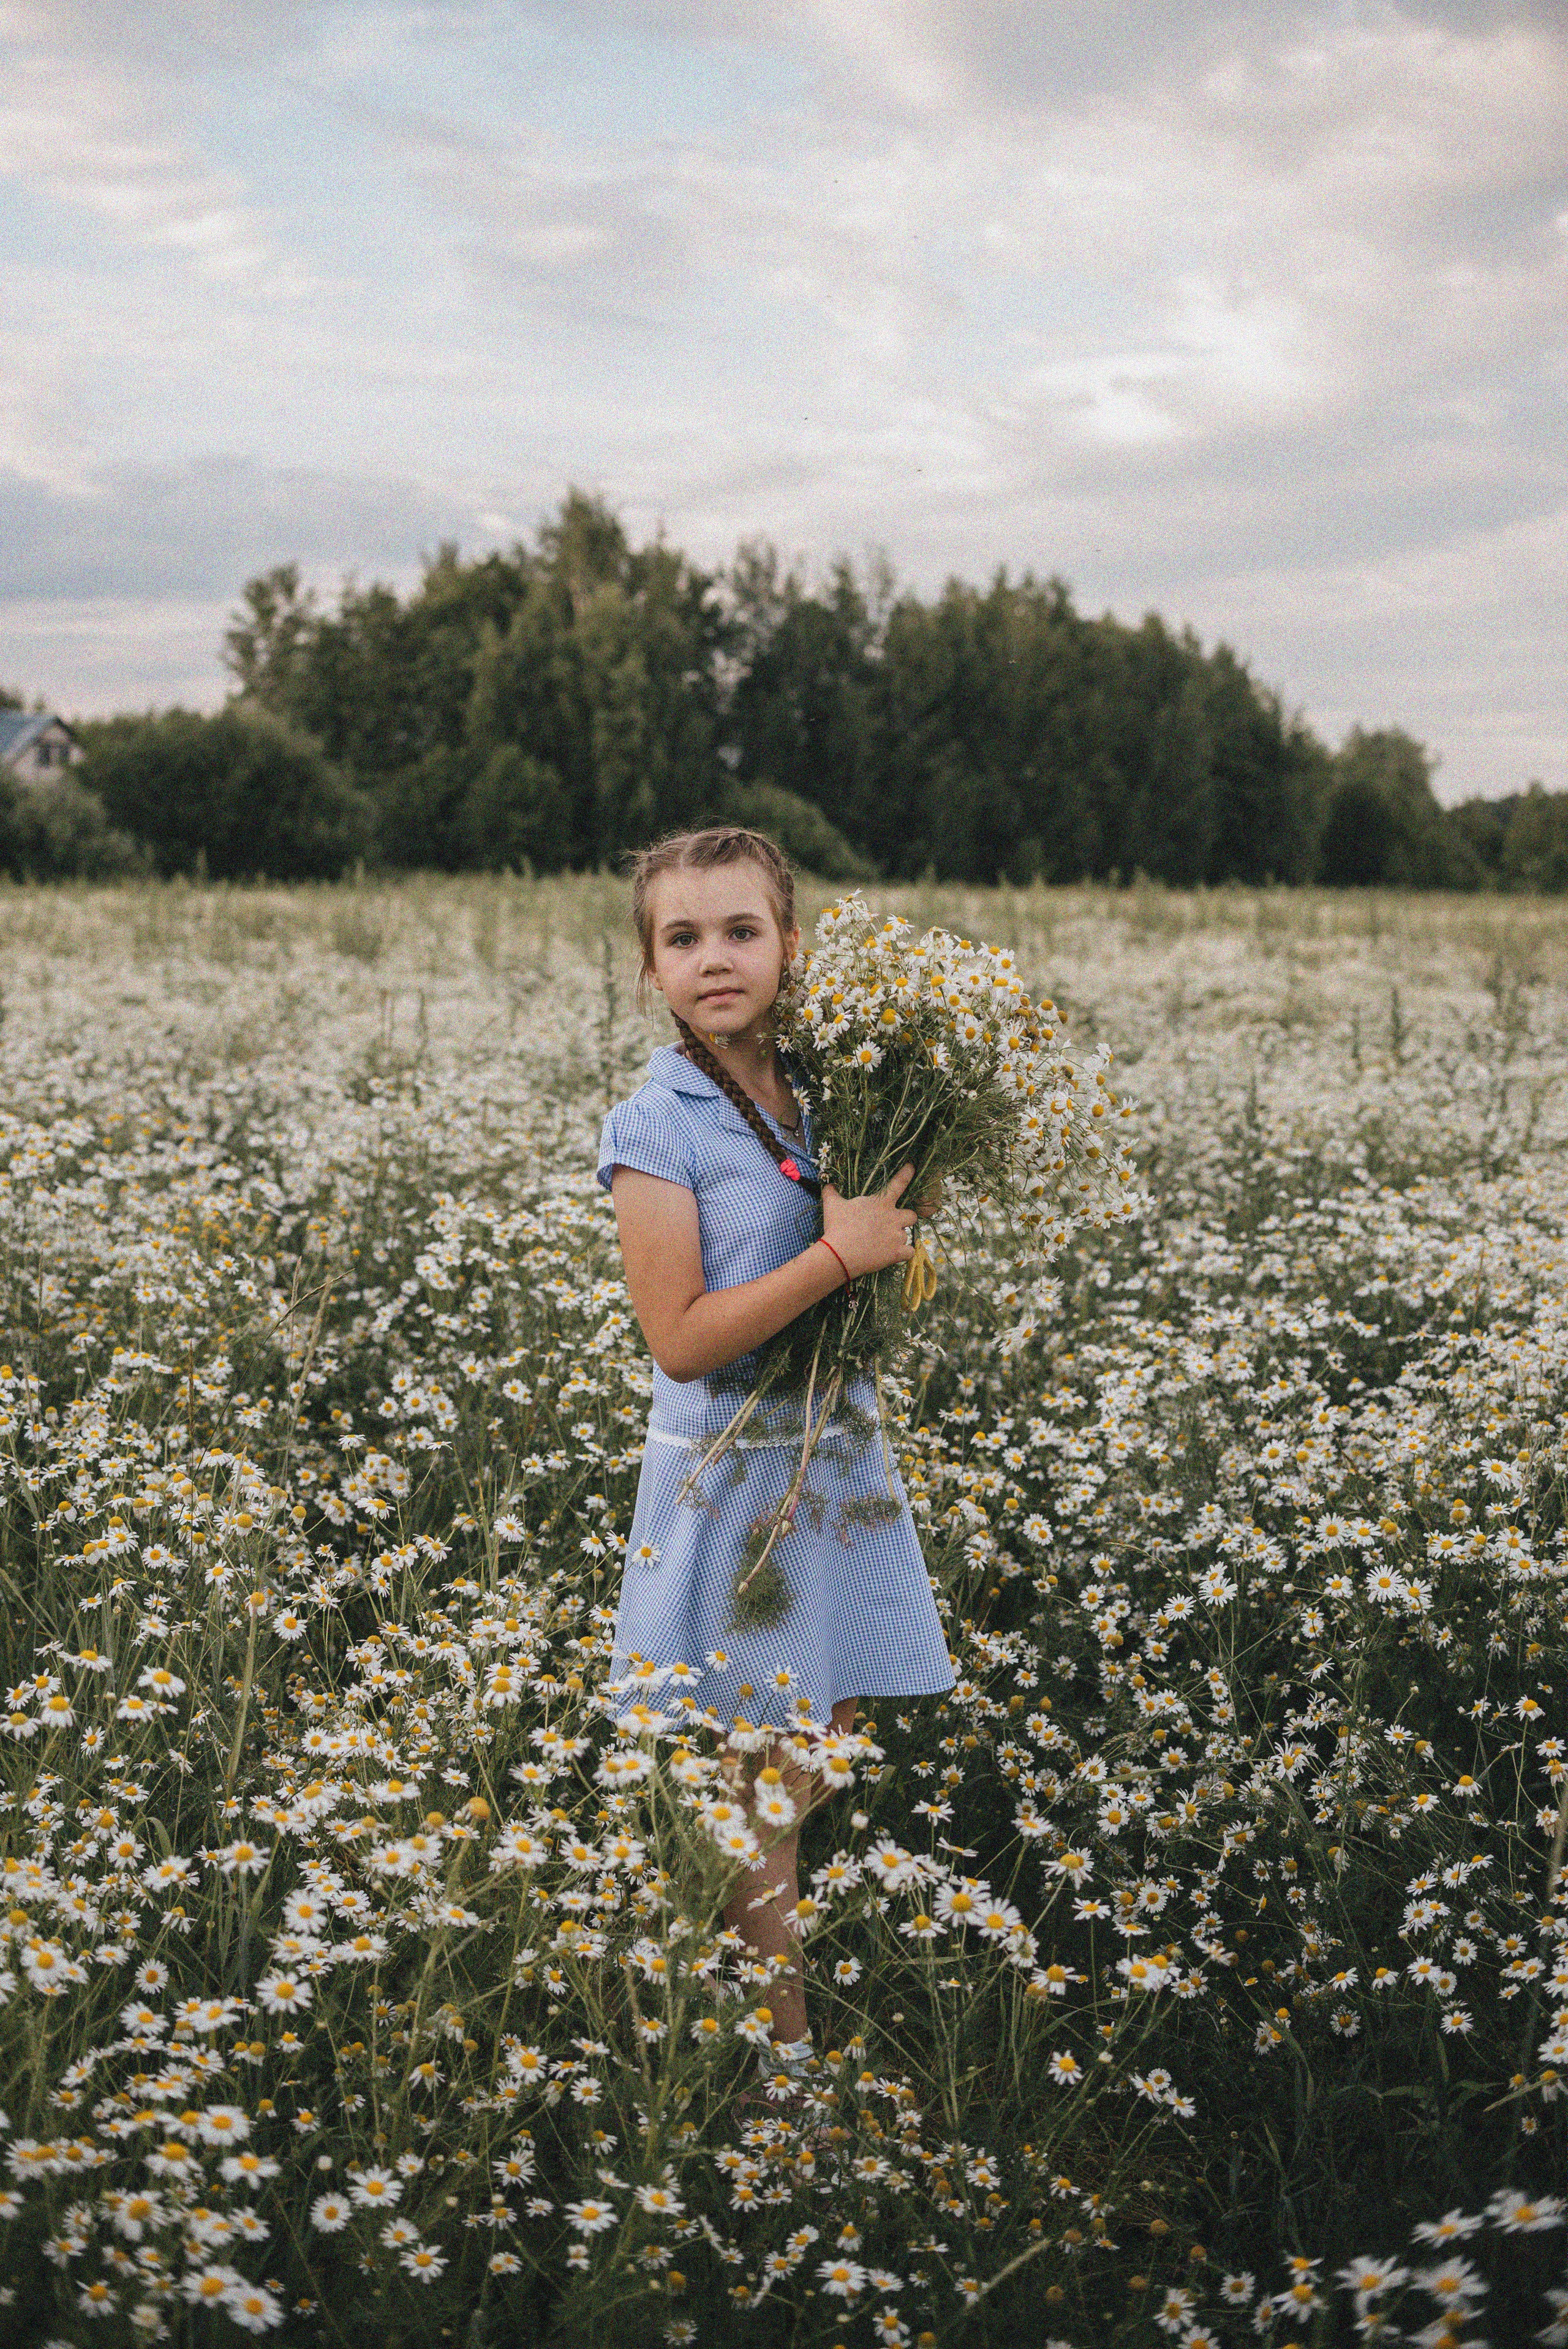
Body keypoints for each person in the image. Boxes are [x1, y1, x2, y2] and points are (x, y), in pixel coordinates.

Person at [598, 824, 954, 2082]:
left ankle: (692, 1947)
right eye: (682, 937)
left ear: (790, 947)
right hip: (736, 1475)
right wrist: (838, 1256)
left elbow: (882, 1231)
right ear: (651, 968)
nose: (714, 958)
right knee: (767, 1768)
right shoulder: (658, 1123)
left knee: (818, 1741)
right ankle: (780, 2062)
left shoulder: (834, 1090)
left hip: (833, 1458)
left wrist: (903, 1207)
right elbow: (682, 1340)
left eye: (740, 930)